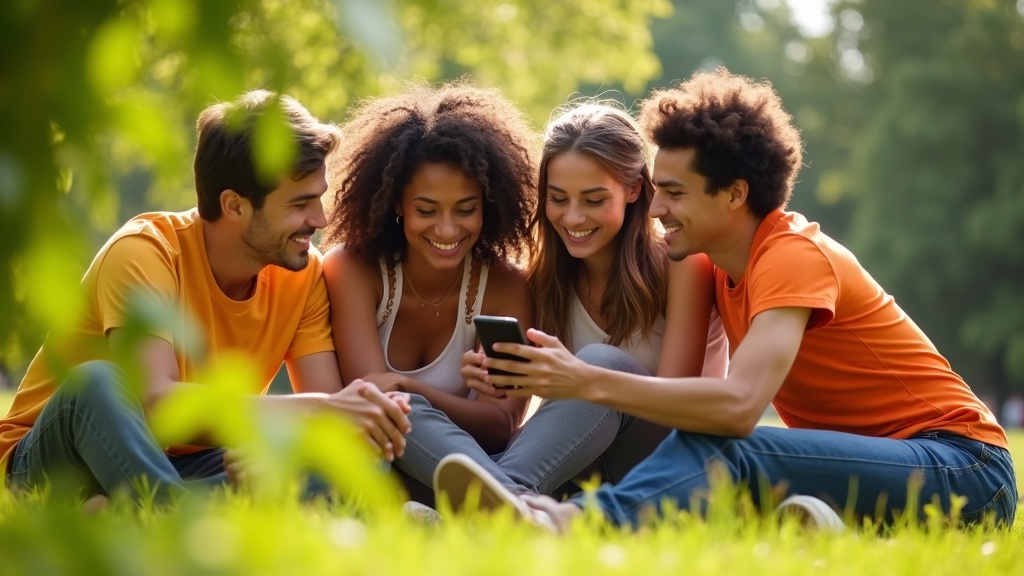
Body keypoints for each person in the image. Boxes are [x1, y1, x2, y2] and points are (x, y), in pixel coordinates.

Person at [436, 68, 1016, 530]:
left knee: (731, 450)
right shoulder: (721, 269)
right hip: (874, 463)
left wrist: (583, 379)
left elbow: (739, 407)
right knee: (745, 483)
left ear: (735, 194)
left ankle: (567, 524)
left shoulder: (791, 256)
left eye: (673, 192)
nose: (655, 209)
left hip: (963, 465)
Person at [0, 90, 412, 504]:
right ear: (234, 206)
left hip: (181, 463)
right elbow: (156, 405)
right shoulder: (144, 252)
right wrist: (319, 410)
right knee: (96, 382)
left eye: (318, 197)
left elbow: (331, 417)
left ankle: (137, 510)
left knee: (350, 460)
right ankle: (176, 512)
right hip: (56, 455)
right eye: (300, 203)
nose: (319, 219)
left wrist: (288, 444)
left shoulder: (303, 276)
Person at [382, 100, 727, 508]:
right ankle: (511, 504)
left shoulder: (683, 265)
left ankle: (501, 498)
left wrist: (576, 378)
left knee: (600, 362)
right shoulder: (543, 280)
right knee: (403, 408)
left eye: (593, 200)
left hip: (666, 469)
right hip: (578, 475)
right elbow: (534, 413)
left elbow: (676, 411)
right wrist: (503, 378)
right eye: (558, 198)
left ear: (634, 189)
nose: (573, 218)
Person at [319, 83, 537, 502]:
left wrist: (411, 387)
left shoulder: (507, 286)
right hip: (383, 469)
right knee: (395, 404)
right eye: (426, 210)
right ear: (396, 204)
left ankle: (503, 503)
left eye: (466, 209)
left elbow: (501, 426)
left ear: (488, 204)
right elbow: (372, 399)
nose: (448, 229)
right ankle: (518, 506)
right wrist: (406, 394)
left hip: (484, 465)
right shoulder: (353, 270)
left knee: (401, 398)